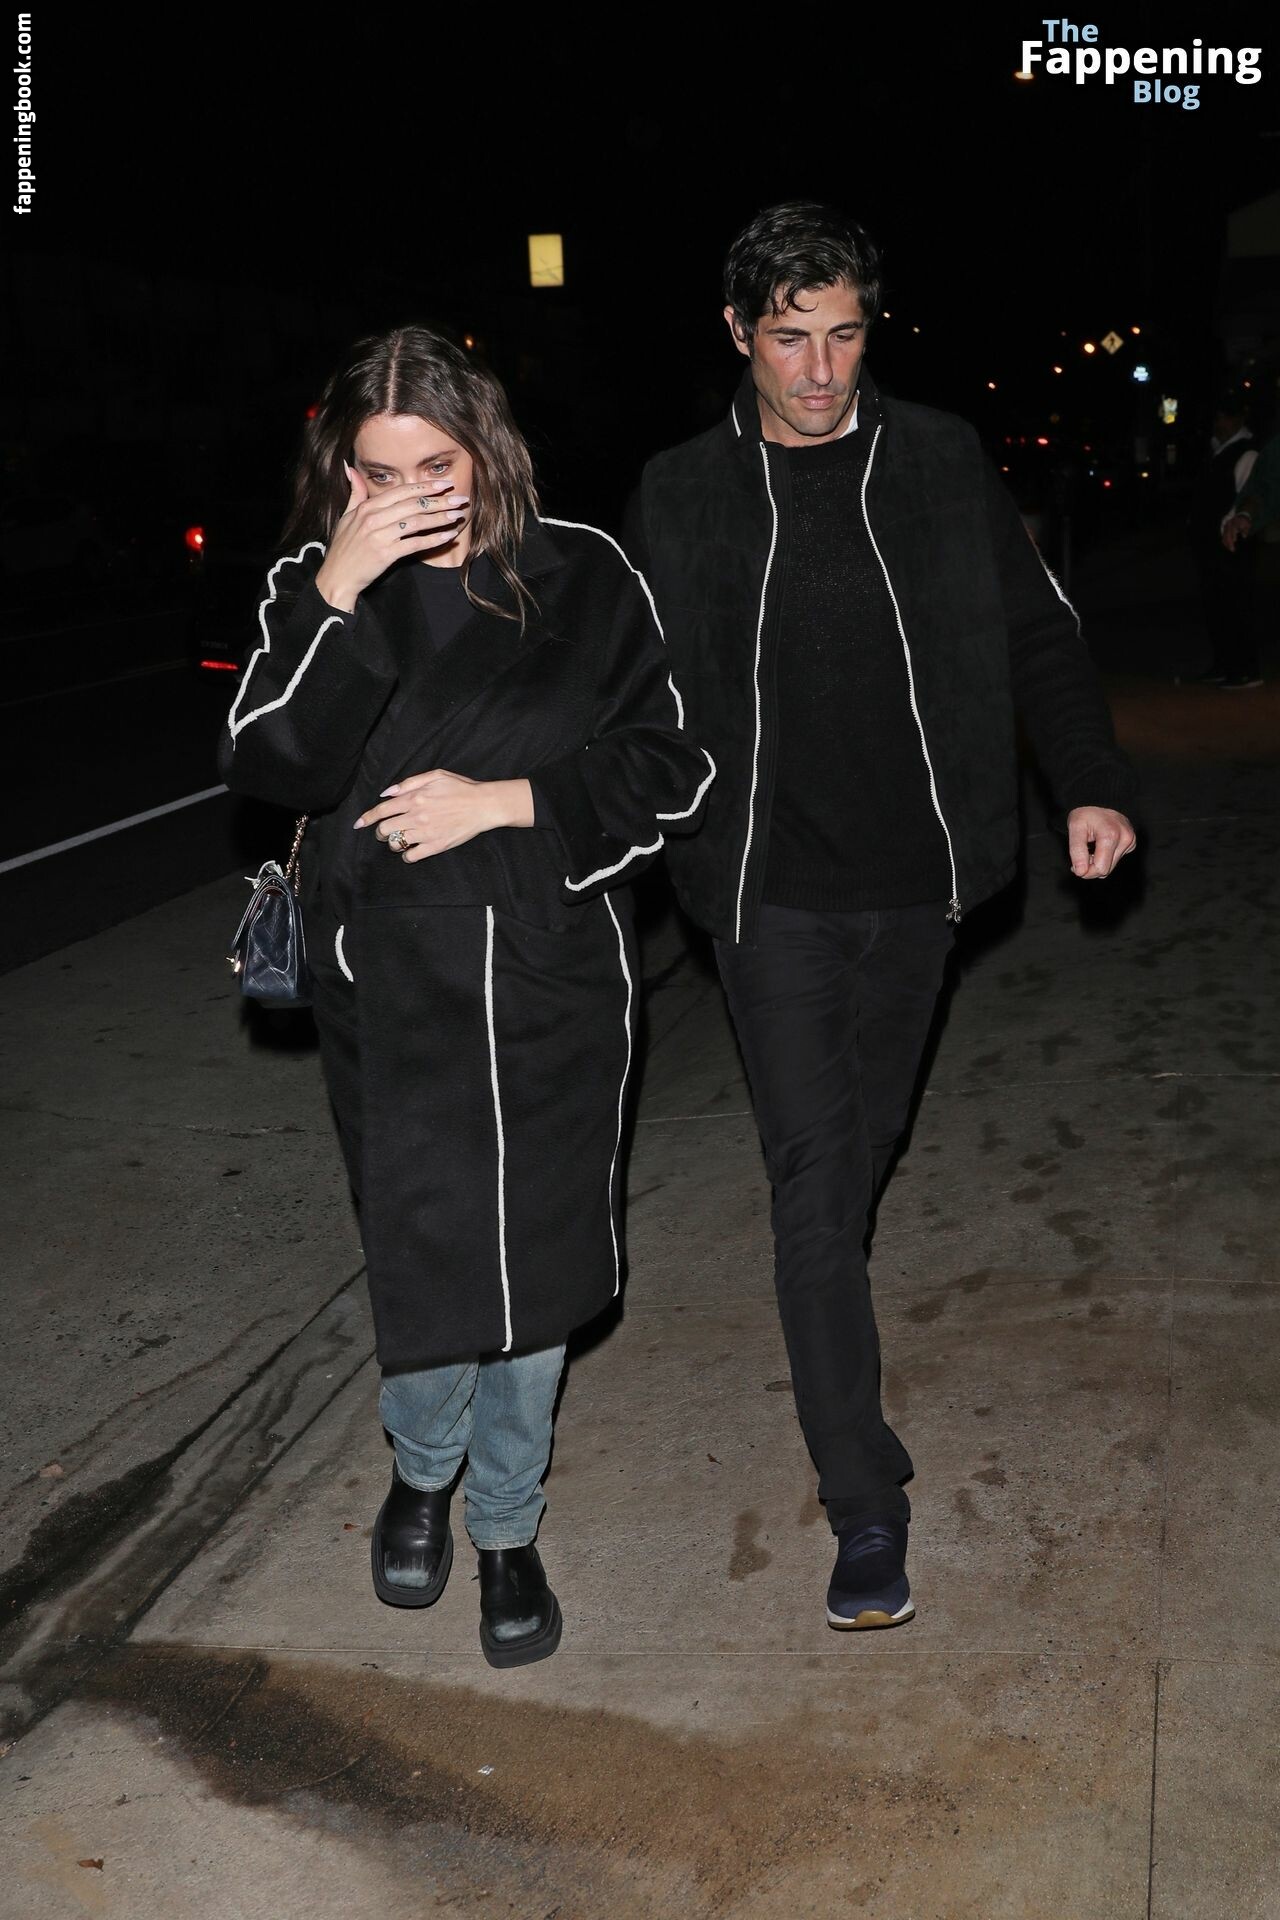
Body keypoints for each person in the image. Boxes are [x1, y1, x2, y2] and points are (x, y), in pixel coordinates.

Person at [623, 202, 1137, 1632]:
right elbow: (621, 684)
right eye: (791, 339)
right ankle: (864, 1498)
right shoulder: (682, 491)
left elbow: (1034, 630)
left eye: (845, 337)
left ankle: (833, 1328)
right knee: (811, 1180)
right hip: (763, 892)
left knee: (862, 1147)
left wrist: (1089, 781)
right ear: (739, 333)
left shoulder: (938, 459)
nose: (820, 371)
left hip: (917, 884)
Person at [218, 324, 713, 1667]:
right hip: (388, 980)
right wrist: (338, 588)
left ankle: (505, 1525)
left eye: (434, 467)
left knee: (532, 1273)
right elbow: (269, 762)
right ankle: (421, 1468)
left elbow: (670, 764)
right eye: (376, 473)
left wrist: (512, 801)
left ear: (485, 450)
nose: (409, 497)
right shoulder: (316, 586)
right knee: (428, 1248)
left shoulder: (583, 573)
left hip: (547, 968)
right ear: (344, 474)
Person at [1190, 393, 1259, 688]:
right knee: (1215, 604)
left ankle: (1245, 668)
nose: (1221, 424)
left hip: (1233, 542)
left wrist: (1229, 525)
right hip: (1211, 542)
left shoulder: (1246, 452)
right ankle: (1224, 663)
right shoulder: (1217, 450)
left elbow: (1246, 495)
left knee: (1236, 604)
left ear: (1239, 419)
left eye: (1226, 418)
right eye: (1218, 418)